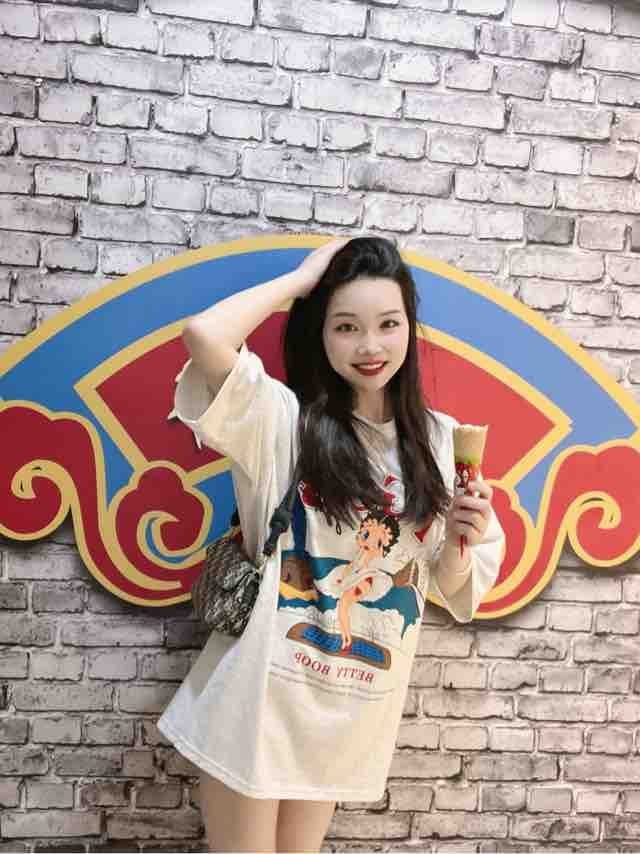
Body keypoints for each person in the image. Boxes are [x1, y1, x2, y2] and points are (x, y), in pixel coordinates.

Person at [156, 236, 505, 853]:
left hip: (348, 715)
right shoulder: (282, 421)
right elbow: (205, 336)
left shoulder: (441, 443)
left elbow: (453, 587)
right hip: (258, 704)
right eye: (346, 327)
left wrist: (462, 537)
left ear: (409, 327)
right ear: (319, 333)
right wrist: (302, 280)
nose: (370, 346)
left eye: (388, 324)